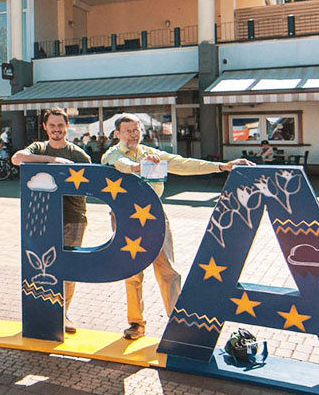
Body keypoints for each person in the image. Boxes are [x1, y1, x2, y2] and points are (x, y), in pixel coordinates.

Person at [102, 113, 253, 340]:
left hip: (154, 216)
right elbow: (119, 164)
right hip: (126, 219)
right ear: (117, 134)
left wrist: (223, 166)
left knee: (167, 270)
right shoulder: (112, 153)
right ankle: (136, 324)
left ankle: (177, 323)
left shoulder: (153, 155)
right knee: (132, 273)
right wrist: (136, 167)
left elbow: (184, 164)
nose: (133, 134)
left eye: (136, 130)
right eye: (127, 131)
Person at [11, 108, 92, 334]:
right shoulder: (39, 148)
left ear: (67, 127)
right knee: (43, 265)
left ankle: (63, 312)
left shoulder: (79, 154)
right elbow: (17, 158)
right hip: (44, 217)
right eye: (52, 126)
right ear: (45, 127)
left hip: (73, 218)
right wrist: (52, 159)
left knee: (68, 267)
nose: (57, 130)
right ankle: (47, 309)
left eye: (60, 126)